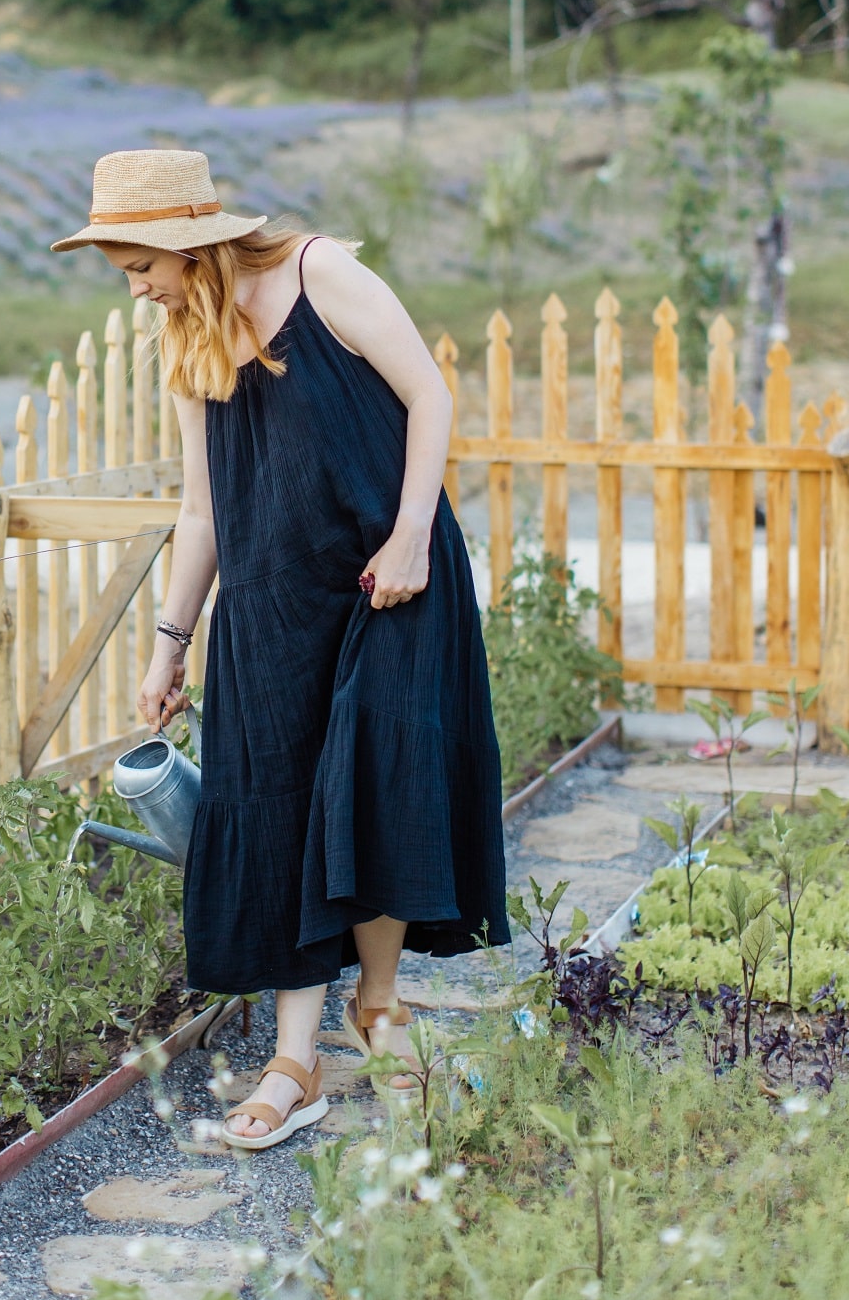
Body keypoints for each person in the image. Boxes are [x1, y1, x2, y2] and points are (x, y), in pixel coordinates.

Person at [53, 148, 508, 1150]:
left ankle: (379, 1006)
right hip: (269, 604)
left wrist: (409, 537)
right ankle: (293, 1061)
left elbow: (429, 397)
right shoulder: (184, 338)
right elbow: (202, 507)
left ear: (188, 242)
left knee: (382, 790)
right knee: (276, 814)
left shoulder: (319, 274)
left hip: (391, 583)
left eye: (139, 266)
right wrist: (169, 643)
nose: (134, 290)